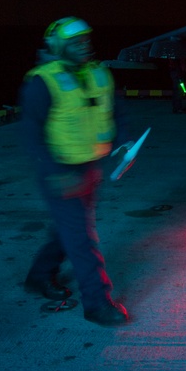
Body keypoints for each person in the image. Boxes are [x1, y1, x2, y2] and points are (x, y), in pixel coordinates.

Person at [19, 17, 129, 326]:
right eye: (75, 41)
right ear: (56, 47)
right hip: (59, 171)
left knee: (67, 230)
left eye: (86, 39)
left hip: (88, 166)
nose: (84, 45)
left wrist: (125, 142)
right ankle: (97, 303)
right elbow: (31, 133)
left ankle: (39, 276)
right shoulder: (43, 81)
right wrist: (55, 172)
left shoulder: (99, 74)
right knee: (81, 237)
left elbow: (118, 112)